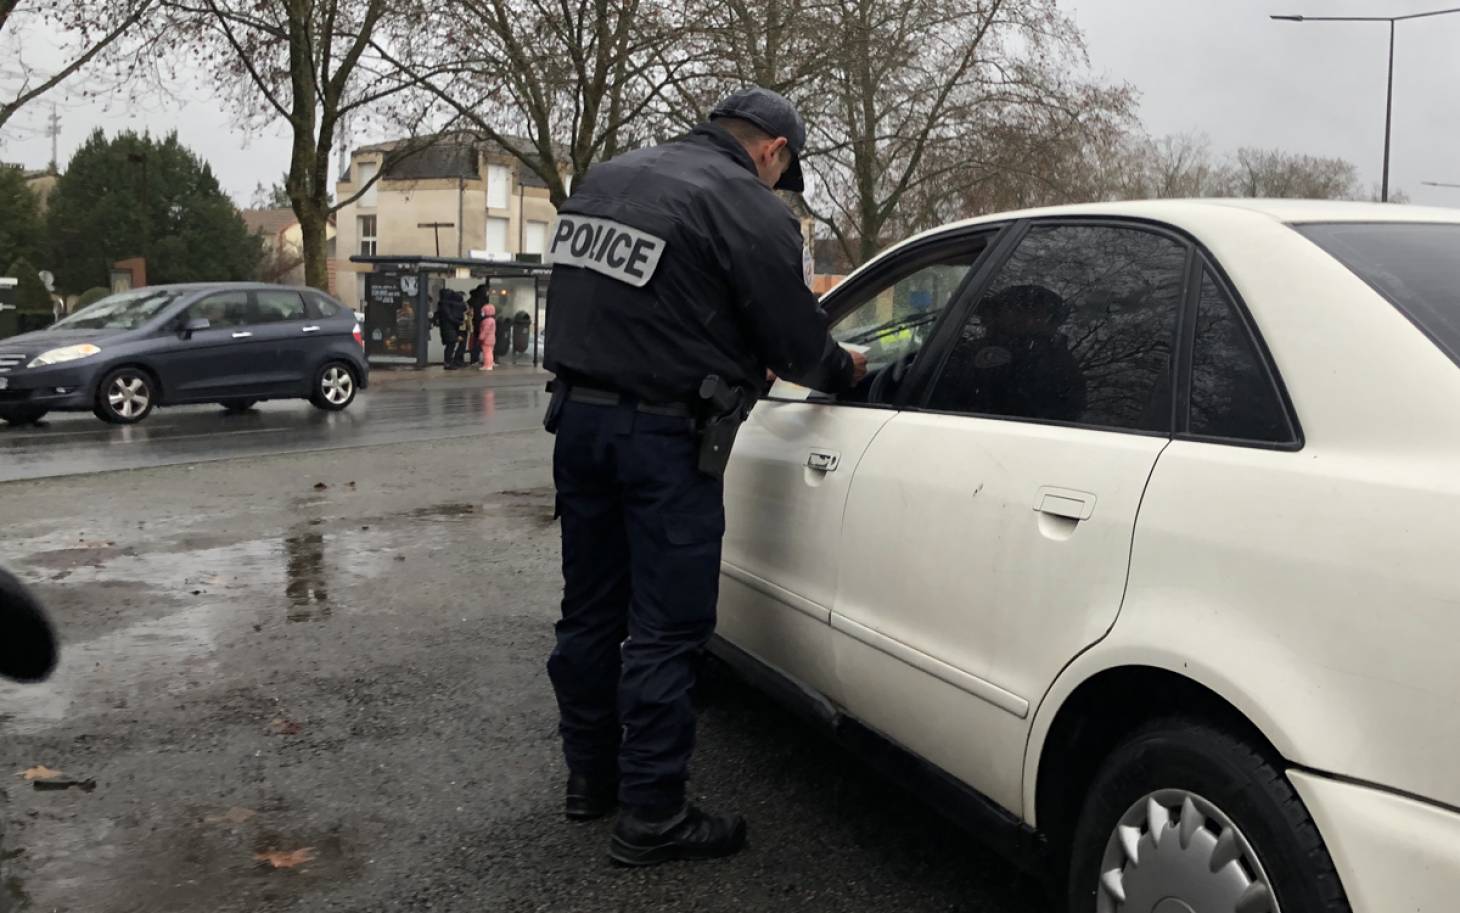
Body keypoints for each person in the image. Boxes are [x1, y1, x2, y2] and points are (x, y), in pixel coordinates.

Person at [541, 86, 868, 866]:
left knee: (589, 612)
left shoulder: (609, 178)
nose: (776, 190)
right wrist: (845, 367)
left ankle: (591, 780)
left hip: (576, 421)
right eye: (781, 178)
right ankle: (653, 813)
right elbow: (794, 340)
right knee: (666, 625)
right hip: (661, 436)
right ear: (773, 151)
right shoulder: (743, 203)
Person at [435, 288, 468, 370]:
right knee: (450, 345)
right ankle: (448, 363)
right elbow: (449, 317)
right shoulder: (446, 305)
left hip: (448, 327)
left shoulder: (443, 304)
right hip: (449, 328)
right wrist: (458, 322)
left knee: (451, 345)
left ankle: (448, 362)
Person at [477, 303, 496, 372]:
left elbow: (485, 331)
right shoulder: (492, 320)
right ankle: (490, 364)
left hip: (486, 339)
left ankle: (487, 365)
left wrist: (480, 338)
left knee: (486, 353)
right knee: (490, 352)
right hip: (492, 339)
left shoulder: (486, 321)